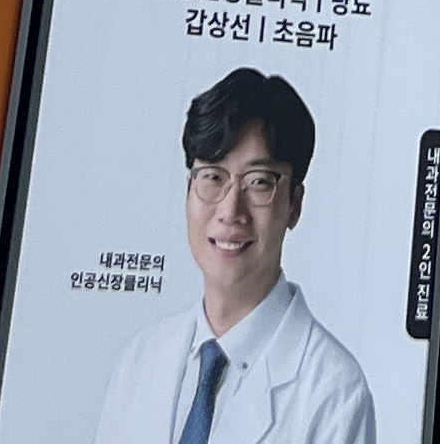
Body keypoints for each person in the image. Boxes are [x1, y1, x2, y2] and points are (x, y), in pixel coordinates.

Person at [90, 70, 376, 444]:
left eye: (258, 182)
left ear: (294, 204)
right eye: (213, 177)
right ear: (188, 190)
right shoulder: (139, 360)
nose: (230, 211)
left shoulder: (335, 393)